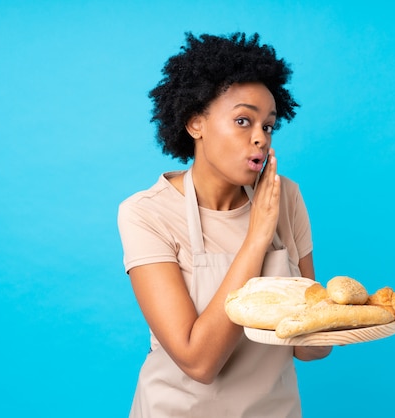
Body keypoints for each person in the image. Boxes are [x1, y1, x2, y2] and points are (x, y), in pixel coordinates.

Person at [117, 32, 332, 418]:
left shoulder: (287, 198)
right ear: (195, 123)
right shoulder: (145, 213)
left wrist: (345, 319)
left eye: (268, 126)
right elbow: (198, 363)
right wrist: (257, 238)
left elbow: (309, 348)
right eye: (242, 120)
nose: (260, 139)